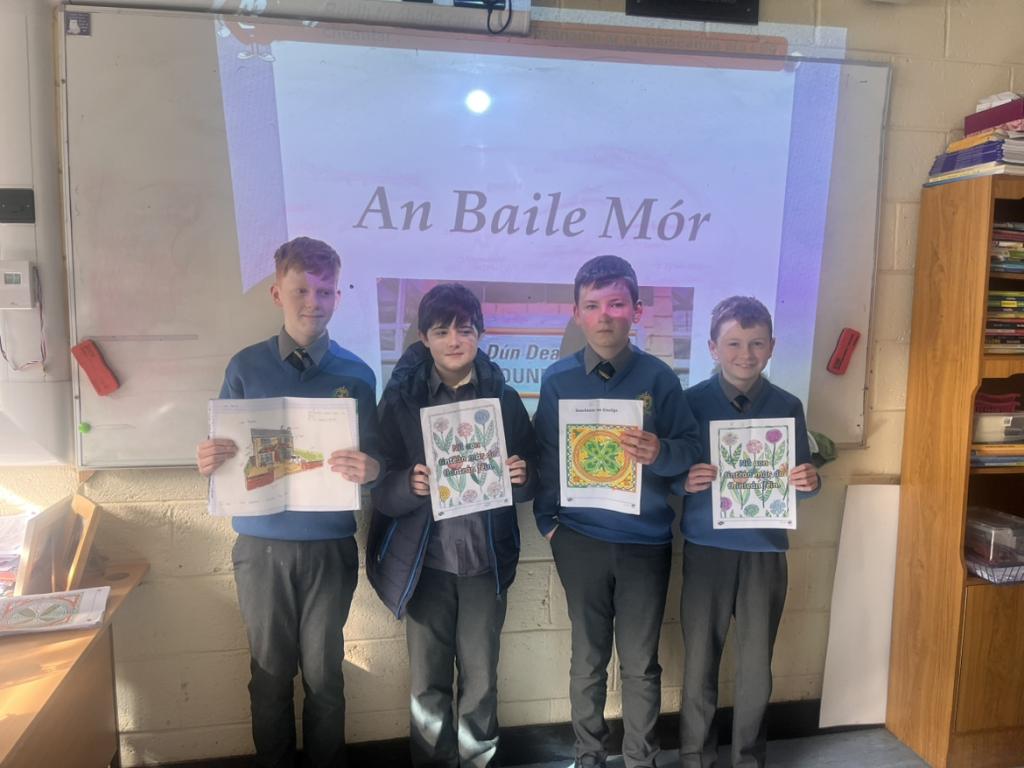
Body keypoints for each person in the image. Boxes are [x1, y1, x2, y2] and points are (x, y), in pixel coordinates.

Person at [196, 236, 382, 768]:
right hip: (261, 549)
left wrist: (372, 470)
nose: (313, 302)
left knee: (324, 674)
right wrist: (210, 459)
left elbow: (376, 460)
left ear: (338, 296)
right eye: (301, 290)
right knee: (270, 674)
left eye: (325, 291)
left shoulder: (357, 375)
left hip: (329, 547)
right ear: (277, 292)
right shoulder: (245, 367)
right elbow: (223, 458)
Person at [533, 255, 701, 768]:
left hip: (644, 542)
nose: (604, 316)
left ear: (637, 311)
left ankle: (639, 758)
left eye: (615, 304)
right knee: (587, 659)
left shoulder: (660, 378)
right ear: (576, 313)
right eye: (592, 305)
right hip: (578, 539)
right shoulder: (557, 380)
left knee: (640, 663)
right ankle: (588, 756)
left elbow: (690, 447)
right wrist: (549, 524)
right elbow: (545, 456)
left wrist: (661, 452)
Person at [366, 283, 537, 768]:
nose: (455, 340)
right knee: (427, 684)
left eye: (465, 329)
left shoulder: (504, 399)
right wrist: (408, 485)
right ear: (424, 338)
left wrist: (523, 478)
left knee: (481, 681)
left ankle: (479, 760)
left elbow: (532, 477)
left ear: (480, 333)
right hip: (426, 567)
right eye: (441, 331)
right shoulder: (400, 402)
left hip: (484, 565)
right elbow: (379, 486)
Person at [677, 295, 820, 768]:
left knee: (757, 664)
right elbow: (669, 470)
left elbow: (798, 481)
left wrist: (810, 482)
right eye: (734, 343)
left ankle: (749, 758)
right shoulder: (690, 403)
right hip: (707, 549)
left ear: (772, 346)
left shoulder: (787, 406)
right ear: (713, 348)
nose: (746, 354)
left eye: (757, 343)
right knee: (700, 660)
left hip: (765, 550)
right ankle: (696, 757)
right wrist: (683, 481)